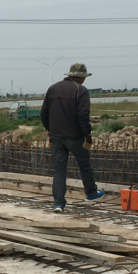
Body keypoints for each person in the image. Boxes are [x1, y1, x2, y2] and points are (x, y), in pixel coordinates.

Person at [41, 63, 107, 212]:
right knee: (84, 164)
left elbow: (44, 113)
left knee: (59, 170)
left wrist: (50, 129)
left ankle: (58, 204)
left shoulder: (53, 88)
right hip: (75, 137)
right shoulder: (80, 90)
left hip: (56, 137)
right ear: (81, 77)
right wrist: (87, 135)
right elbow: (83, 115)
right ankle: (91, 193)